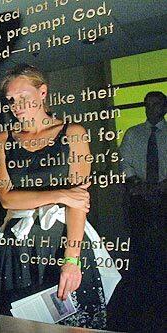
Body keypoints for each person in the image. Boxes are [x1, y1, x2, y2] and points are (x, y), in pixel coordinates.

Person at [0, 64, 120, 329]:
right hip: (19, 244)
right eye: (11, 99)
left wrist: (71, 259)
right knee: (22, 323)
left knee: (75, 323)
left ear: (43, 92)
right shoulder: (1, 139)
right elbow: (7, 199)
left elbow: (78, 204)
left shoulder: (73, 133)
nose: (16, 105)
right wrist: (61, 194)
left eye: (23, 96)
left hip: (62, 240)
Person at [119, 91, 166, 331]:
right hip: (140, 200)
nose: (151, 109)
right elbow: (125, 163)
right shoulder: (133, 134)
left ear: (165, 107)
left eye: (156, 104)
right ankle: (143, 299)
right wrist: (138, 184)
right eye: (148, 104)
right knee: (141, 247)